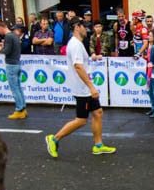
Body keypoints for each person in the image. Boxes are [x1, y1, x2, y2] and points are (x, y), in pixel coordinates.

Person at [45, 20, 116, 158]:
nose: (87, 30)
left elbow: (81, 63)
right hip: (83, 89)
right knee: (81, 120)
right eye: (85, 27)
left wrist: (92, 59)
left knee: (98, 113)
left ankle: (98, 145)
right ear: (77, 27)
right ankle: (54, 139)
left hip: (85, 87)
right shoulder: (76, 44)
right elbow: (78, 66)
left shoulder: (76, 44)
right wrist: (90, 86)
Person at [0, 21, 26, 120]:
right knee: (18, 87)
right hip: (17, 63)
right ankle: (23, 108)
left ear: (1, 27)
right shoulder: (15, 35)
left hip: (11, 64)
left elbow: (7, 51)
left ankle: (19, 109)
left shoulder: (8, 36)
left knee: (14, 88)